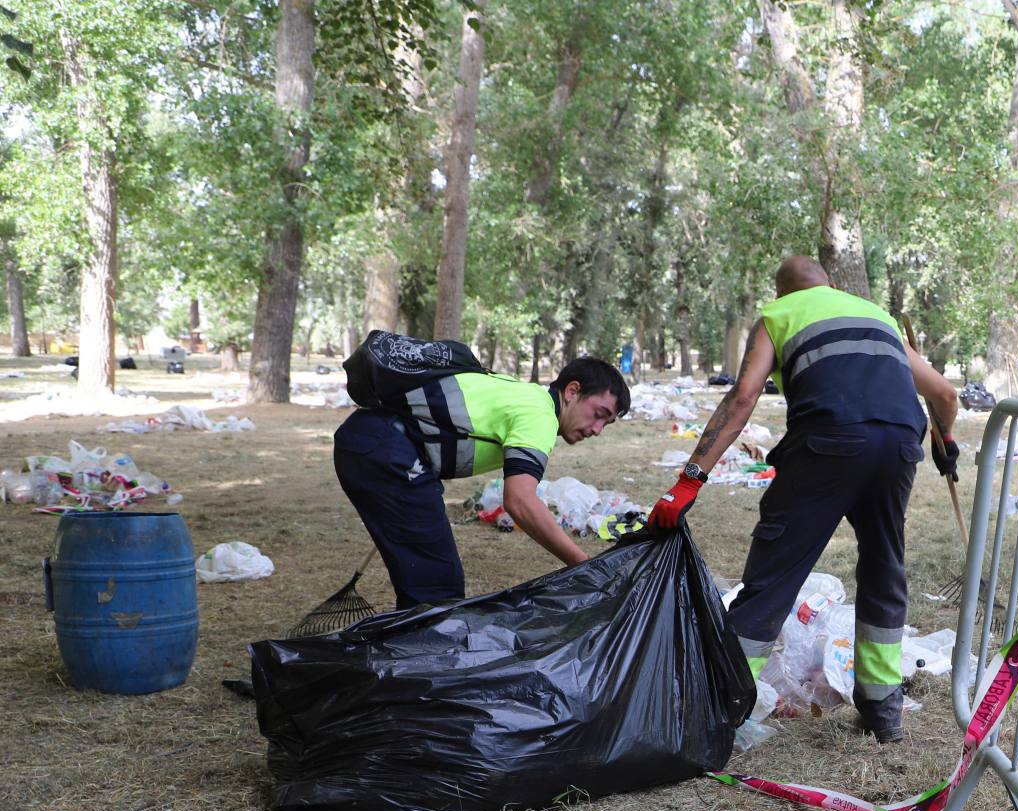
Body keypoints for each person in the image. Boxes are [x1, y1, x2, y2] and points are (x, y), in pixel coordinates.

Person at [649, 255, 960, 742]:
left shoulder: (780, 315)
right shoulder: (876, 314)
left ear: (781, 294)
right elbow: (944, 395)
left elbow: (743, 398)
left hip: (826, 443)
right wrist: (946, 441)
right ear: (831, 284)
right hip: (899, 445)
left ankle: (721, 705)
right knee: (884, 566)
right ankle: (882, 710)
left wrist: (690, 479)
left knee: (776, 572)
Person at [334, 357, 629, 608]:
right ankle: (417, 667)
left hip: (370, 441)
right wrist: (582, 563)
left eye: (607, 423)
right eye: (599, 414)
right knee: (437, 586)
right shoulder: (540, 416)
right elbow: (520, 500)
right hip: (385, 452)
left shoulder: (525, 394)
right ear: (572, 391)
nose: (598, 429)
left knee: (427, 574)